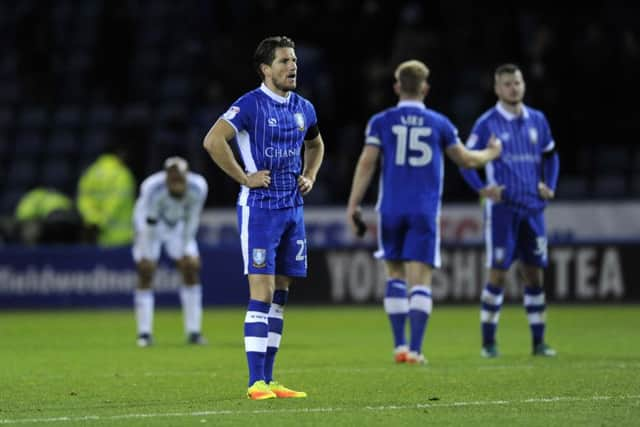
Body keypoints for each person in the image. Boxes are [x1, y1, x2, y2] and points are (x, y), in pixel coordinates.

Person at [346, 60, 502, 365]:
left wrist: (353, 204)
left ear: (396, 87)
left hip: (390, 208)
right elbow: (467, 160)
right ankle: (416, 350)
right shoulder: (439, 123)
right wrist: (492, 153)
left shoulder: (381, 121)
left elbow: (367, 162)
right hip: (423, 210)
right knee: (420, 281)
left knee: (394, 275)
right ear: (425, 88)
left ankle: (399, 346)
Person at [203, 36, 324, 400]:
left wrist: (310, 175)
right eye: (285, 61)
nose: (293, 66)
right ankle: (255, 382)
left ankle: (270, 379)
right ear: (265, 69)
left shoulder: (304, 107)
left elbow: (316, 144)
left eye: (294, 61)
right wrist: (244, 177)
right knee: (262, 291)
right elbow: (213, 141)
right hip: (259, 211)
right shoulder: (250, 105)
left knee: (281, 295)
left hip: (292, 209)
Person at [459, 63, 560, 358]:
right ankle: (488, 342)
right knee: (498, 274)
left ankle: (539, 342)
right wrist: (481, 187)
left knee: (534, 274)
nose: (513, 88)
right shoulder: (486, 123)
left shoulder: (537, 120)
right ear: (497, 88)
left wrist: (549, 185)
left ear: (523, 84)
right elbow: (466, 160)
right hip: (502, 210)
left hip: (533, 208)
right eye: (507, 84)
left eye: (516, 83)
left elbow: (551, 156)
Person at [132, 156, 208, 347]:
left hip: (179, 226)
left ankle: (194, 332)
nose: (176, 184)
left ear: (186, 176)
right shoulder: (151, 187)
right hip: (151, 227)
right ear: (165, 177)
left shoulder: (198, 187)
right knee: (146, 271)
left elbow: (192, 218)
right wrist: (146, 253)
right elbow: (146, 221)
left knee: (190, 267)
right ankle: (144, 334)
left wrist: (186, 249)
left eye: (179, 179)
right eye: (171, 179)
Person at [77, 141, 136, 246]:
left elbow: (83, 200)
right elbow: (116, 202)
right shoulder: (122, 174)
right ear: (120, 154)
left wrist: (94, 220)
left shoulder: (90, 173)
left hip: (97, 238)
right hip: (121, 239)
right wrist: (102, 222)